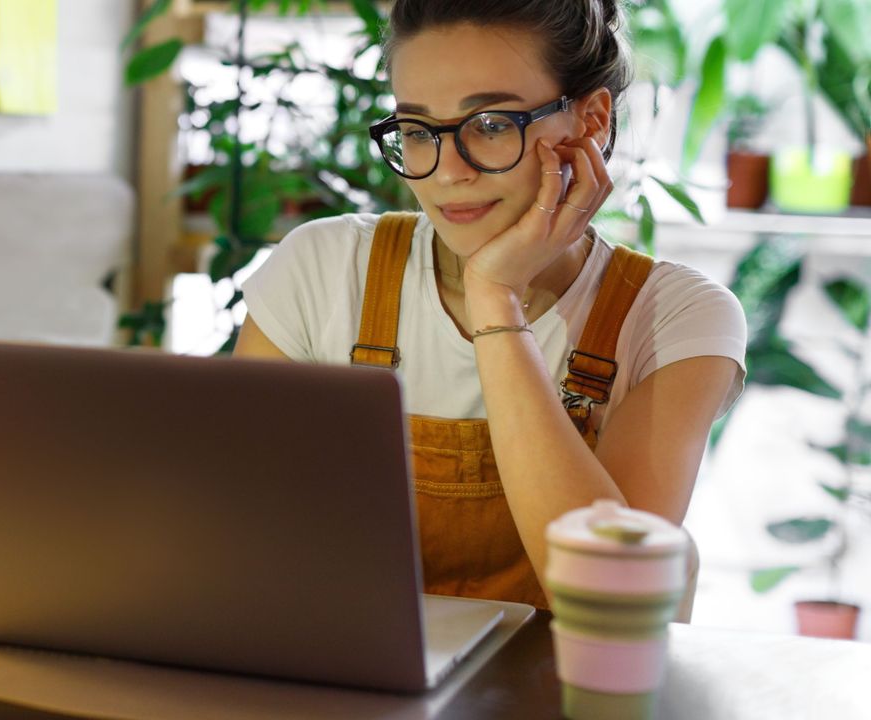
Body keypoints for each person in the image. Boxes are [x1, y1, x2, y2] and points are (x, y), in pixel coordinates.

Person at [234, 0, 747, 610]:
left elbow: (614, 593)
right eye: (419, 131)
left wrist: (495, 298)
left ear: (591, 122)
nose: (447, 171)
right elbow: (236, 535)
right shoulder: (324, 267)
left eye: (491, 124)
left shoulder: (675, 317)